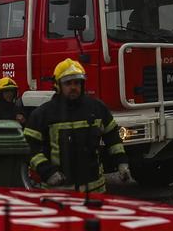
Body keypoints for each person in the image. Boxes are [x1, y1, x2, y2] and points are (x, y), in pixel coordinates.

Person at [23, 58, 130, 192]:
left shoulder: (97, 109)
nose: (73, 87)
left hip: (95, 191)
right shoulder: (42, 114)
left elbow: (113, 138)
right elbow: (28, 147)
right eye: (68, 83)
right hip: (59, 193)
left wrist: (121, 163)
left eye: (77, 83)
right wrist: (47, 171)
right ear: (57, 85)